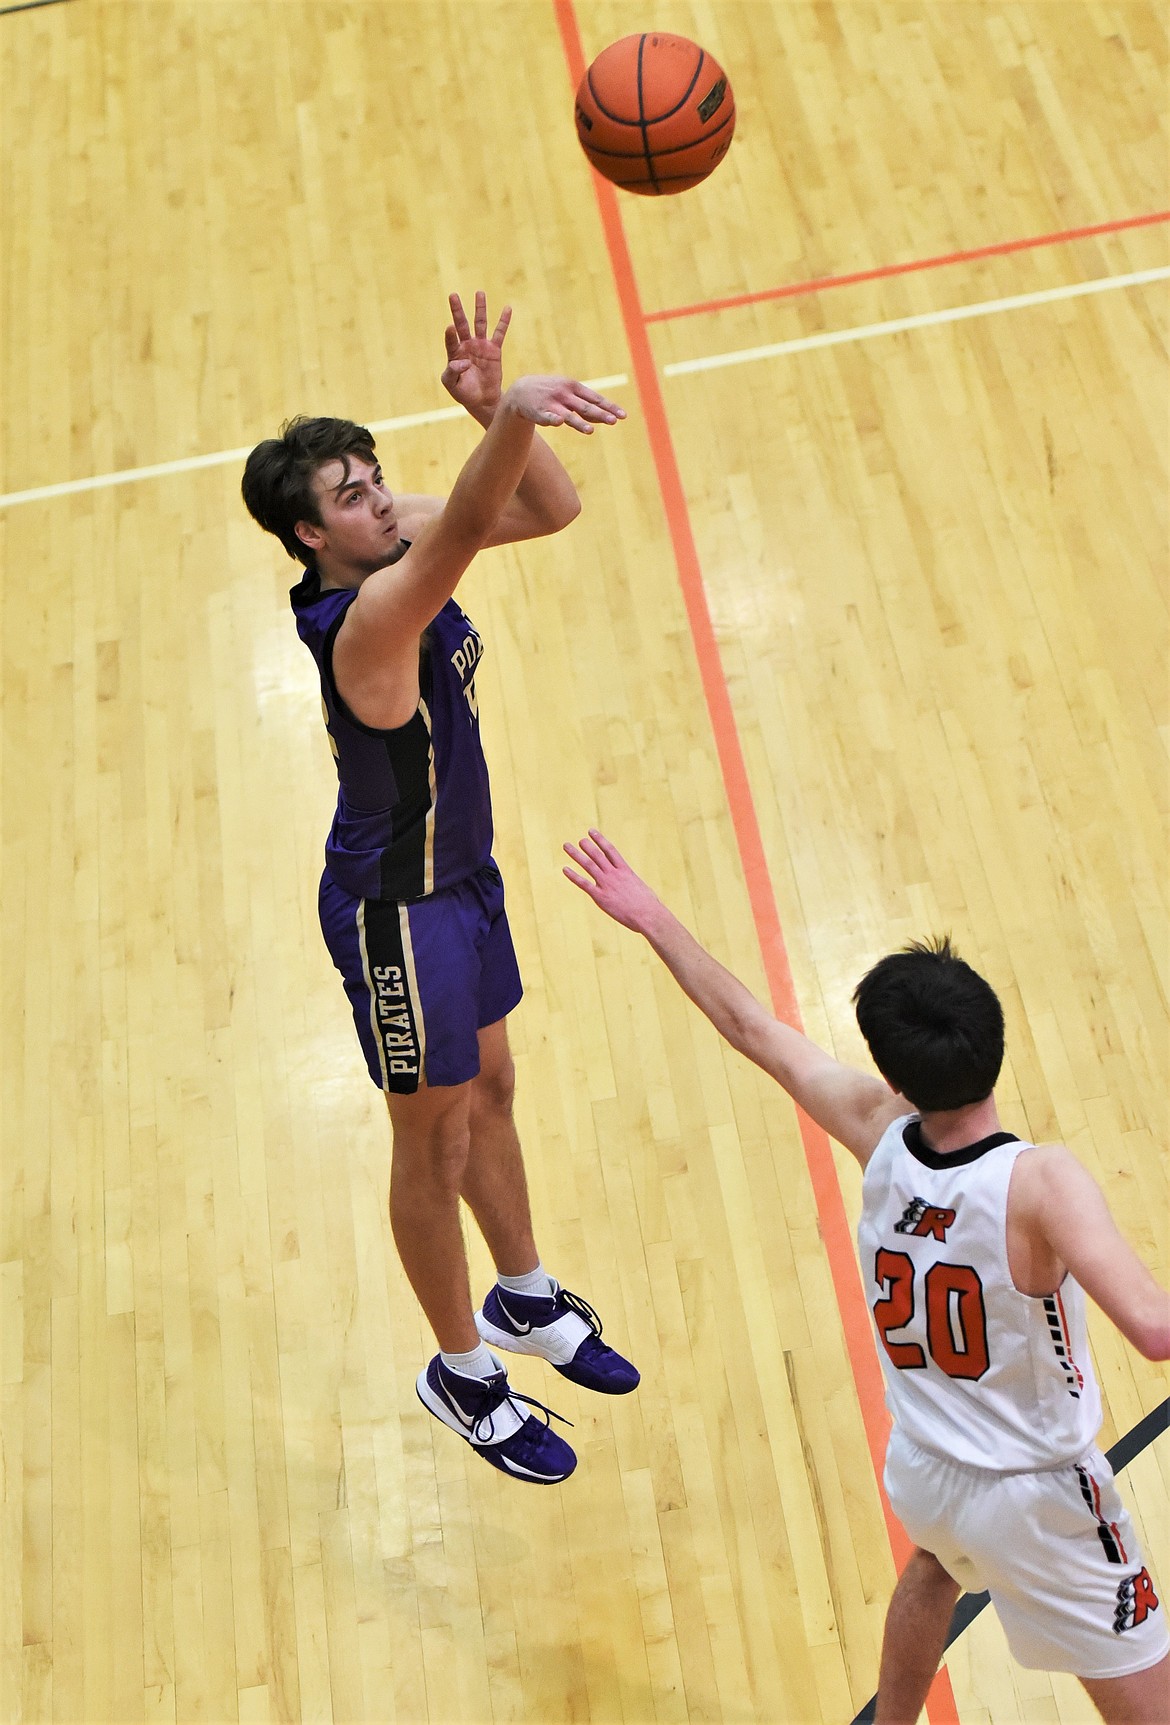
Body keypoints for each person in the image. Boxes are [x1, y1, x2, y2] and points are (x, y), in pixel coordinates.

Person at [563, 829, 1169, 1722]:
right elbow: (1154, 1331)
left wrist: (655, 918)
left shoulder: (875, 1129)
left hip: (926, 1467)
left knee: (936, 1566)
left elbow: (752, 1029)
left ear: (894, 1072)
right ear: (994, 1034)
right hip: (1040, 1496)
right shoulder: (1041, 1182)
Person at [239, 294, 639, 1488]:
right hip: (395, 913)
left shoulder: (388, 539)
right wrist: (507, 416)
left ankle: (520, 1297)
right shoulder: (363, 616)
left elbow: (545, 510)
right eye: (350, 496)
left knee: (497, 1088)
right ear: (311, 538)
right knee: (437, 1133)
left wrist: (487, 416)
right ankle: (461, 1369)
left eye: (373, 478)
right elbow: (469, 521)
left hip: (463, 875)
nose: (375, 499)